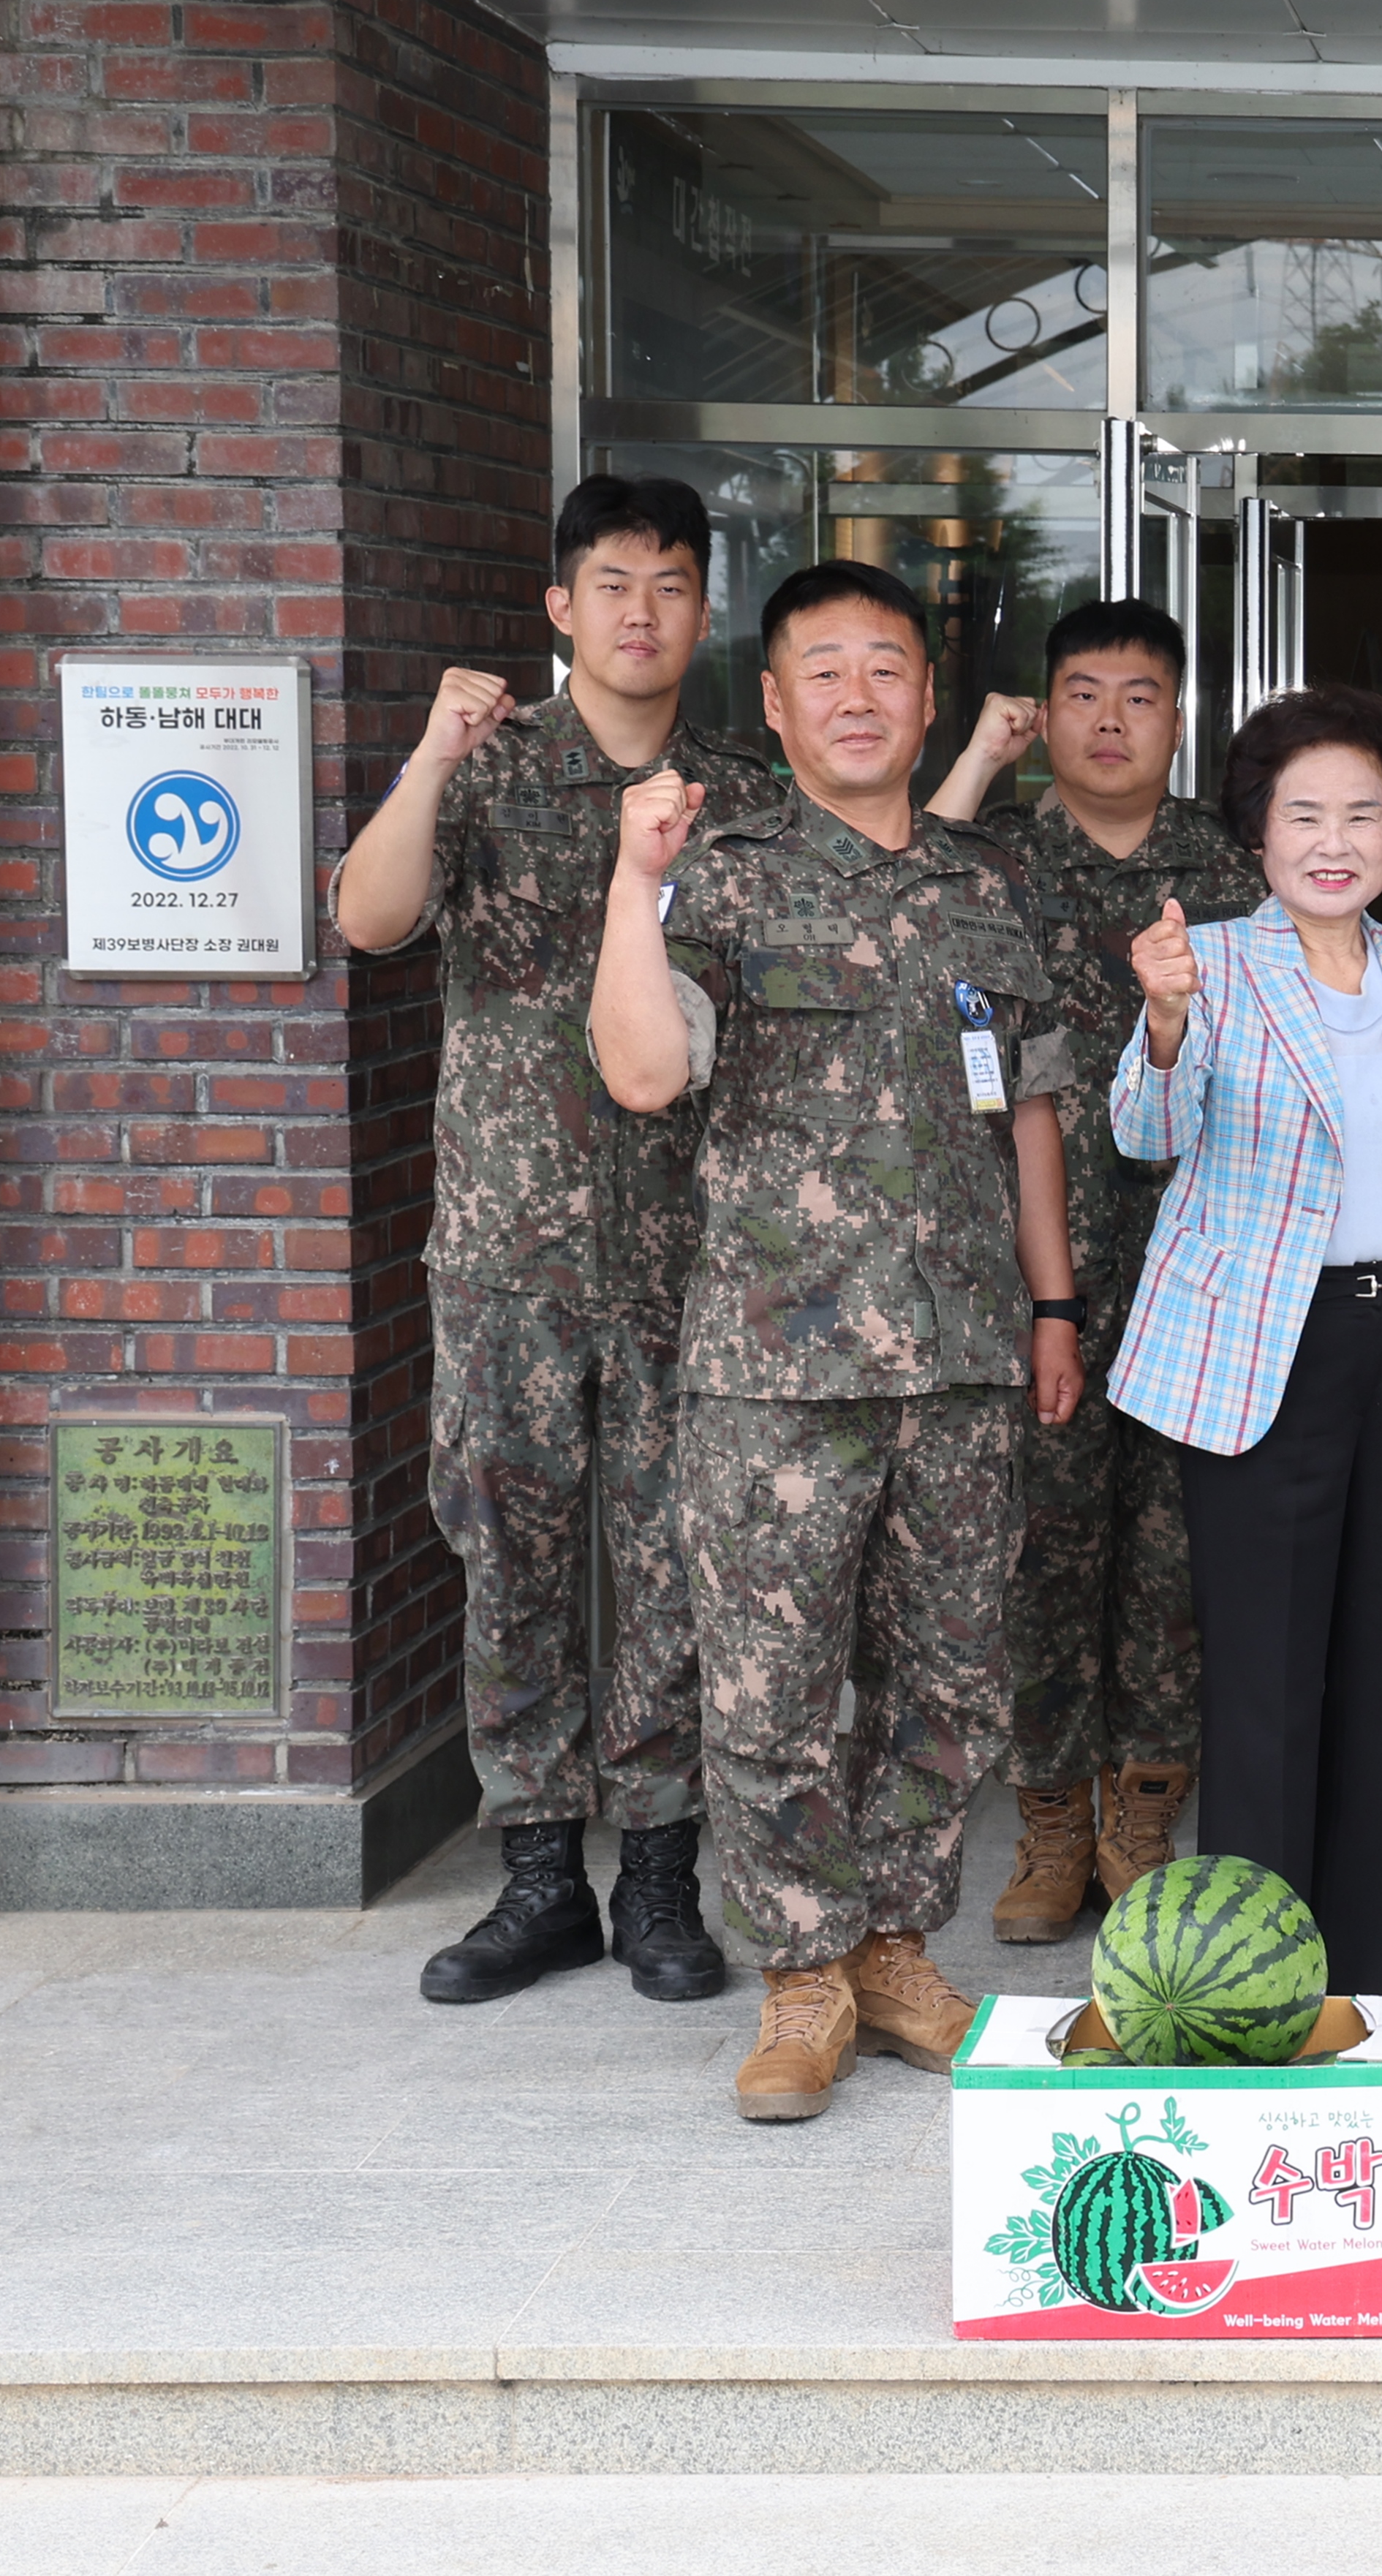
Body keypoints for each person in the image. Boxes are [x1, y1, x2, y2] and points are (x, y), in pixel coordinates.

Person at [588, 560, 1085, 2124]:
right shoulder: (716, 875)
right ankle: (801, 1971)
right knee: (773, 1682)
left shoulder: (989, 888)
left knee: (953, 1677)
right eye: (827, 672)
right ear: (779, 704)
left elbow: (1035, 1111)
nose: (860, 697)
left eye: (888, 669)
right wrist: (627, 880)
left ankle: (893, 1945)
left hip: (962, 1354)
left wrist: (1054, 1298)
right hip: (775, 1361)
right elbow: (648, 1071)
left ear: (930, 700)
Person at [334, 474, 780, 2014]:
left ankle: (658, 1870)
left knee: (670, 1572)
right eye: (611, 584)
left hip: (688, 1252)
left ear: (701, 611)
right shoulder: (490, 763)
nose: (640, 612)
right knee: (509, 1558)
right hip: (510, 1249)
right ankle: (538, 1873)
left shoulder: (744, 790)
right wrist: (425, 756)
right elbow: (372, 920)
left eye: (668, 585)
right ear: (561, 608)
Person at [1106, 684, 1382, 1997]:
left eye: (1363, 815)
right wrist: (1161, 1022)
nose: (1336, 840)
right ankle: (1255, 1988)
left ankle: (1374, 1996)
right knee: (1268, 1693)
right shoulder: (1207, 962)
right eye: (1305, 815)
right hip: (1265, 1360)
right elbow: (1144, 1137)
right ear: (1258, 835)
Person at [927, 602, 1269, 1939]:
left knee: (1177, 1556)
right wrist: (975, 759)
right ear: (1045, 714)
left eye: (1142, 694)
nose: (1112, 718)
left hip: (1206, 1267)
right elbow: (897, 897)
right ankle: (1051, 1822)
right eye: (1083, 693)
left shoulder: (1239, 870)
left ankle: (1143, 1810)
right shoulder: (995, 859)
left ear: (1181, 719)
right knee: (1044, 1550)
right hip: (1032, 1270)